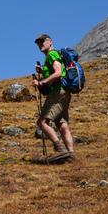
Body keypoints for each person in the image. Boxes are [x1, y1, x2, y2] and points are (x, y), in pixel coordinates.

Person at [32, 34, 74, 162]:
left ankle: (60, 149)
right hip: (64, 92)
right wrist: (42, 72)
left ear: (50, 42)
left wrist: (42, 82)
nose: (40, 44)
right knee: (62, 124)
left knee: (42, 122)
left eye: (42, 41)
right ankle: (70, 155)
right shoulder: (51, 56)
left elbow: (58, 73)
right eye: (38, 43)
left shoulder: (52, 54)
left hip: (57, 93)